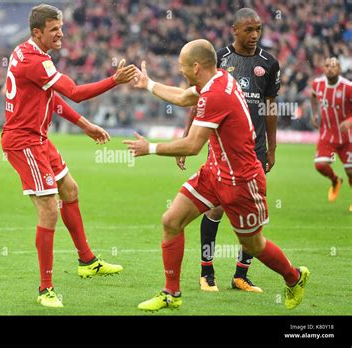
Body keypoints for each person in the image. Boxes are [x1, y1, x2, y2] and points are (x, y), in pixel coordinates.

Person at [124, 39, 309, 311]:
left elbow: (192, 145)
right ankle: (171, 294)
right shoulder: (218, 78)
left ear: (196, 67)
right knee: (171, 221)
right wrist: (148, 84)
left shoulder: (217, 94)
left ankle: (294, 277)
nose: (181, 71)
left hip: (242, 181)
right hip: (215, 173)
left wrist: (150, 147)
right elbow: (184, 97)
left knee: (254, 244)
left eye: (183, 67)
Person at [2, 4, 136, 308]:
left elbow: (53, 98)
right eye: (54, 29)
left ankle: (86, 260)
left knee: (70, 189)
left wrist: (85, 124)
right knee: (49, 209)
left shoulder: (25, 52)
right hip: (24, 142)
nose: (61, 33)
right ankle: (45, 289)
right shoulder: (36, 61)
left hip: (38, 137)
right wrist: (114, 80)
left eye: (61, 27)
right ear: (38, 32)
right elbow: (73, 92)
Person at [175, 8, 280, 293]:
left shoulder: (269, 63)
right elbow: (199, 100)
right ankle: (206, 271)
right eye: (248, 30)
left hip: (254, 148)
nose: (254, 35)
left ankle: (240, 275)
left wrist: (272, 146)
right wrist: (186, 139)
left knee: (251, 217)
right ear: (234, 30)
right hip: (220, 150)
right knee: (216, 208)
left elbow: (270, 106)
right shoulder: (218, 59)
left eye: (258, 29)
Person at [311, 57, 352, 212]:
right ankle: (335, 180)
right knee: (320, 164)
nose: (330, 68)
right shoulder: (318, 84)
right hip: (327, 134)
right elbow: (313, 96)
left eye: (333, 66)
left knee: (351, 172)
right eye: (327, 65)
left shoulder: (348, 87)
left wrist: (349, 121)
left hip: (348, 136)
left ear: (339, 69)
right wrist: (314, 114)